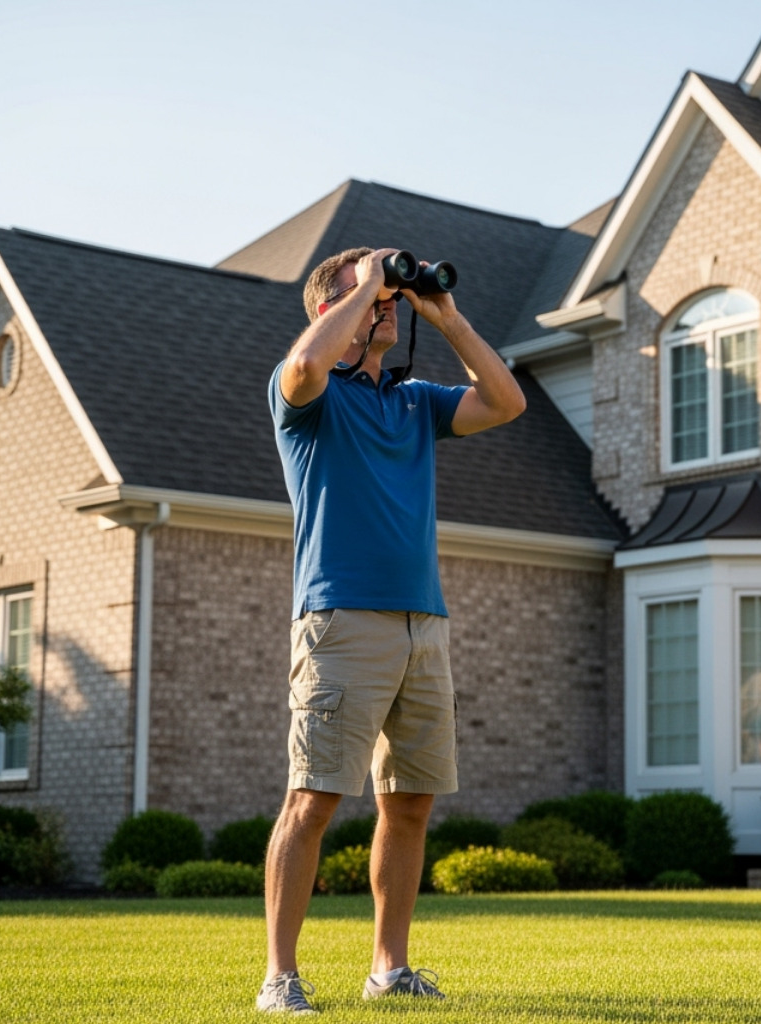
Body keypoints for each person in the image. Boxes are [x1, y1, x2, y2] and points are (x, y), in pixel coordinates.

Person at [257, 246, 525, 1013]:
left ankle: (389, 969)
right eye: (366, 295)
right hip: (341, 620)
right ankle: (280, 978)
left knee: (409, 802)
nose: (384, 304)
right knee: (311, 800)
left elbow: (506, 402)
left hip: (423, 623)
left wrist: (444, 315)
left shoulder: (415, 403)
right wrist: (367, 283)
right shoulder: (305, 398)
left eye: (387, 295)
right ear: (327, 309)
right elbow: (306, 365)